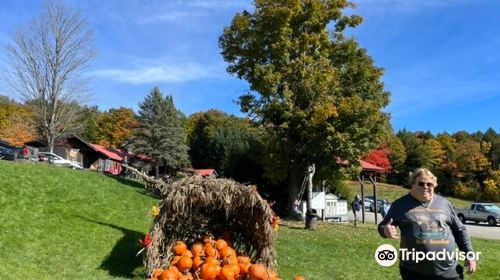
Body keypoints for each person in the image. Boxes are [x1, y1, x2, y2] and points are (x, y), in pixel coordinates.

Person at [378, 168, 477, 280]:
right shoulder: (400, 205)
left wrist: (470, 256)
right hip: (414, 272)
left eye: (429, 184)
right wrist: (385, 230)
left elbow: (460, 230)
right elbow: (382, 227)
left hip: (449, 272)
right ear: (413, 184)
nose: (425, 187)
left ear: (434, 186)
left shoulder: (444, 203)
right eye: (421, 183)